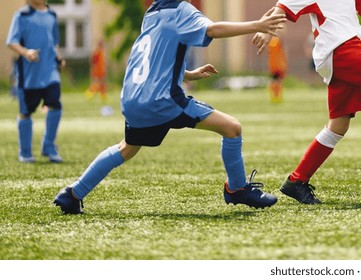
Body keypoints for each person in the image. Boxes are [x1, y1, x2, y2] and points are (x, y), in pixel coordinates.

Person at [52, 0, 286, 214]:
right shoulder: (180, 9)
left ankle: (72, 193)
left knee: (126, 148)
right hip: (162, 101)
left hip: (133, 99)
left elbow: (154, 60)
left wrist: (187, 74)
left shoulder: (152, 14)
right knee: (232, 129)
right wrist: (258, 24)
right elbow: (212, 30)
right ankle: (237, 189)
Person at [252, 0, 361, 204]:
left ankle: (297, 181)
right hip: (341, 48)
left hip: (337, 54)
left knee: (338, 126)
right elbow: (283, 6)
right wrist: (267, 30)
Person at [6, 0, 67, 163]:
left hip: (50, 72)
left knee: (56, 105)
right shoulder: (22, 15)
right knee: (25, 112)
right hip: (29, 77)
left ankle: (48, 146)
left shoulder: (51, 15)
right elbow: (12, 41)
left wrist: (59, 57)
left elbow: (54, 43)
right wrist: (26, 53)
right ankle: (25, 152)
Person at [268, 35, 288, 103]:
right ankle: (275, 96)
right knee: (276, 81)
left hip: (277, 64)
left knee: (278, 81)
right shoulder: (275, 41)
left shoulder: (276, 41)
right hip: (276, 65)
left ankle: (277, 96)